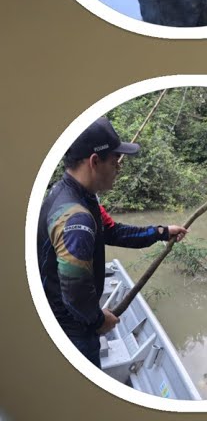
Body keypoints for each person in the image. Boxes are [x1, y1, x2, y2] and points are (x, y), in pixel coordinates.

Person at [36, 116, 188, 368]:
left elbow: (113, 232)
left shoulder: (77, 195)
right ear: (95, 161)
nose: (119, 167)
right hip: (71, 330)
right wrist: (98, 321)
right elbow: (74, 294)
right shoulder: (77, 219)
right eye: (115, 161)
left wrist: (162, 231)